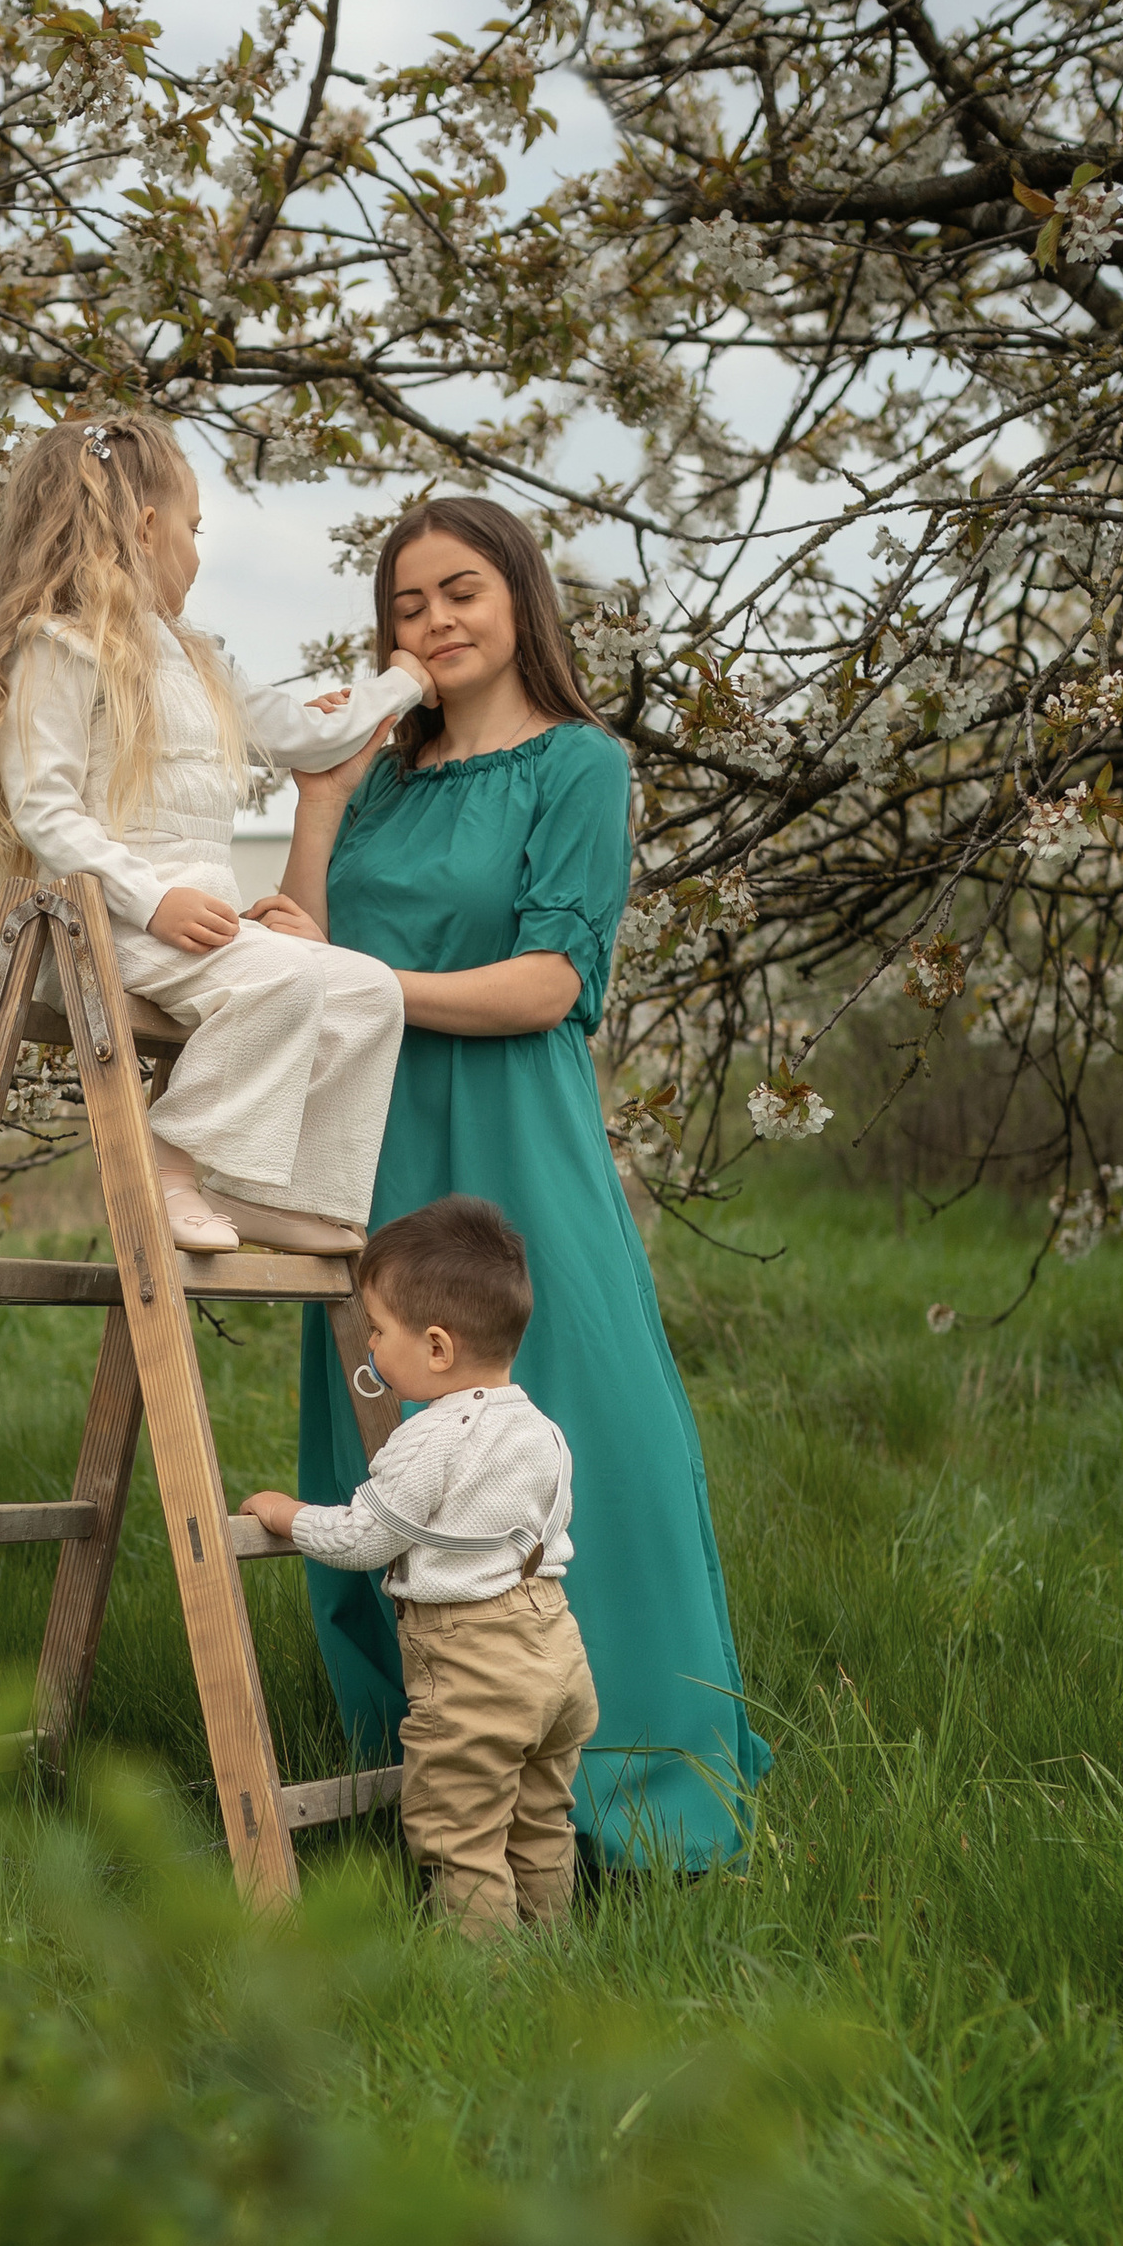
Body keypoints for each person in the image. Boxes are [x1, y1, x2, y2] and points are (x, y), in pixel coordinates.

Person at [251, 495, 768, 1870]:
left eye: (460, 590)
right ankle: (421, 1773)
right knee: (385, 1433)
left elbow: (552, 980)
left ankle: (633, 1786)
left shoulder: (579, 764)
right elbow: (308, 942)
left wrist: (370, 989)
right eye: (407, 604)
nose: (434, 622)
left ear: (521, 597)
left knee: (586, 1427)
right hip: (373, 1143)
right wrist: (319, 797)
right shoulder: (388, 778)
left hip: (514, 1133)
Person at [0, 412, 427, 1256]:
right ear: (146, 528)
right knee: (277, 980)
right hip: (104, 924)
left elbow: (310, 735)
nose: (201, 552)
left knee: (367, 992)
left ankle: (269, 1191)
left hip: (197, 927)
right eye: (196, 528)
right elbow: (44, 806)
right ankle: (176, 1171)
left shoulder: (195, 659)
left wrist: (401, 684)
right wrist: (154, 897)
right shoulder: (57, 647)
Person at [240, 1196, 597, 1936]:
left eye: (377, 1330)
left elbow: (362, 1541)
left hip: (474, 1663)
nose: (370, 1347)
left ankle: (486, 1985)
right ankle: (558, 1953)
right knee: (539, 1821)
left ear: (436, 1348)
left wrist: (283, 1512)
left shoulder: (430, 1438)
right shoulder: (542, 1428)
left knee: (459, 1836)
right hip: (556, 1648)